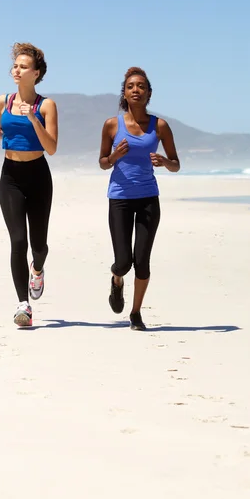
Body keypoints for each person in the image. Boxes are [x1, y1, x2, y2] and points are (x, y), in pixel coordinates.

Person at [99, 67, 180, 331]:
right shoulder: (112, 125)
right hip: (120, 199)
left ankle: (135, 313)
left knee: (142, 262)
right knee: (123, 262)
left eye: (141, 86)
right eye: (131, 86)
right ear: (124, 92)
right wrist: (113, 157)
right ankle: (116, 280)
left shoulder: (160, 126)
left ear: (149, 93)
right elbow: (102, 163)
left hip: (148, 199)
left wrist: (164, 161)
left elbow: (176, 164)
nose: (136, 90)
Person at [0, 43, 58, 327]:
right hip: (11, 176)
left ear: (36, 72)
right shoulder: (1, 101)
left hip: (39, 175)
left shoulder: (47, 105)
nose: (16, 70)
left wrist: (33, 117)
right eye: (15, 65)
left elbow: (51, 147)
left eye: (23, 66)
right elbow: (2, 130)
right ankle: (23, 305)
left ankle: (37, 268)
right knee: (19, 240)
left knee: (38, 245)